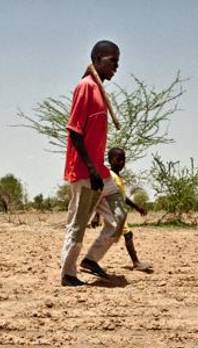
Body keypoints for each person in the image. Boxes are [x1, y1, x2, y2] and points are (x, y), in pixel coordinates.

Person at [59, 40, 120, 287]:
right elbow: (74, 131)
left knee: (118, 216)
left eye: (118, 61)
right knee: (78, 224)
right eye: (111, 61)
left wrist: (99, 168)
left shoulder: (99, 91)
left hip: (100, 173)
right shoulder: (85, 87)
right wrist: (92, 168)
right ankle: (68, 274)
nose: (116, 66)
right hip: (85, 172)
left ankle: (91, 260)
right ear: (96, 60)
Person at [89, 147, 152, 272]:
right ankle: (136, 263)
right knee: (127, 234)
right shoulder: (110, 176)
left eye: (123, 160)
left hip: (117, 212)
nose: (122, 162)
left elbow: (123, 197)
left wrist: (137, 208)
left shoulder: (118, 178)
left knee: (109, 237)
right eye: (119, 159)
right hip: (112, 212)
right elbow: (101, 194)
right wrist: (97, 215)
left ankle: (91, 260)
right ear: (111, 160)